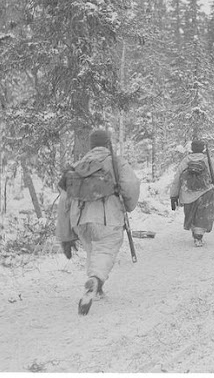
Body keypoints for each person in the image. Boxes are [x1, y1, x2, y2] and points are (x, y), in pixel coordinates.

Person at [57, 129, 140, 316]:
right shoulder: (116, 163)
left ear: (91, 145)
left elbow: (64, 201)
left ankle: (97, 287)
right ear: (108, 143)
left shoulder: (78, 166)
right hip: (107, 217)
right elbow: (132, 185)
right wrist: (128, 204)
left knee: (92, 250)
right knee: (105, 249)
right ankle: (95, 280)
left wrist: (65, 236)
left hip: (79, 220)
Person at [170, 140, 214, 247]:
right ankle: (198, 237)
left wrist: (173, 195)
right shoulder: (208, 160)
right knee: (202, 214)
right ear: (203, 148)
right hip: (206, 192)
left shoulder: (185, 160)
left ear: (192, 148)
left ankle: (195, 233)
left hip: (187, 193)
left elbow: (177, 179)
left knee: (192, 214)